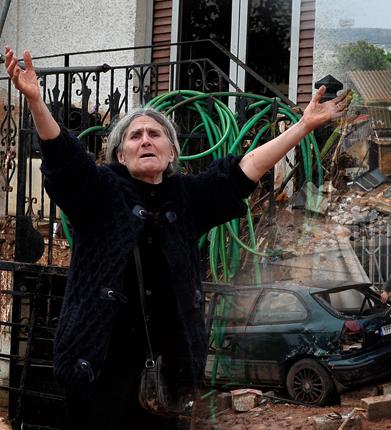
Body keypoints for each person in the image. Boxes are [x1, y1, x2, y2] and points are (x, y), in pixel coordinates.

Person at [4, 47, 350, 428]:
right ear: (121, 155)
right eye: (135, 136)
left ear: (171, 153)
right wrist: (36, 101)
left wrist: (301, 127)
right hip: (100, 371)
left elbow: (241, 173)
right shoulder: (100, 191)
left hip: (167, 375)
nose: (145, 140)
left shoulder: (187, 197)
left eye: (155, 134)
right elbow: (65, 159)